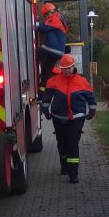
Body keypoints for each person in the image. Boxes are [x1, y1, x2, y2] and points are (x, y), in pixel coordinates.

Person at [40, 54, 97, 183]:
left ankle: (73, 173)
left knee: (72, 144)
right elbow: (46, 99)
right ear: (61, 69)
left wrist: (92, 111)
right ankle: (64, 164)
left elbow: (91, 98)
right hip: (58, 118)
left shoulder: (82, 81)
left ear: (73, 67)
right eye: (64, 68)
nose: (67, 70)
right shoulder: (53, 81)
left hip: (76, 118)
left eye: (69, 68)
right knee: (62, 143)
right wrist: (45, 111)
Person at [36, 2, 68, 91]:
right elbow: (46, 26)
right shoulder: (58, 18)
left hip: (51, 49)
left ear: (49, 12)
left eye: (46, 15)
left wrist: (33, 23)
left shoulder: (55, 18)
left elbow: (44, 27)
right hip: (57, 52)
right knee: (45, 73)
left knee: (34, 56)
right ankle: (41, 95)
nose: (46, 18)